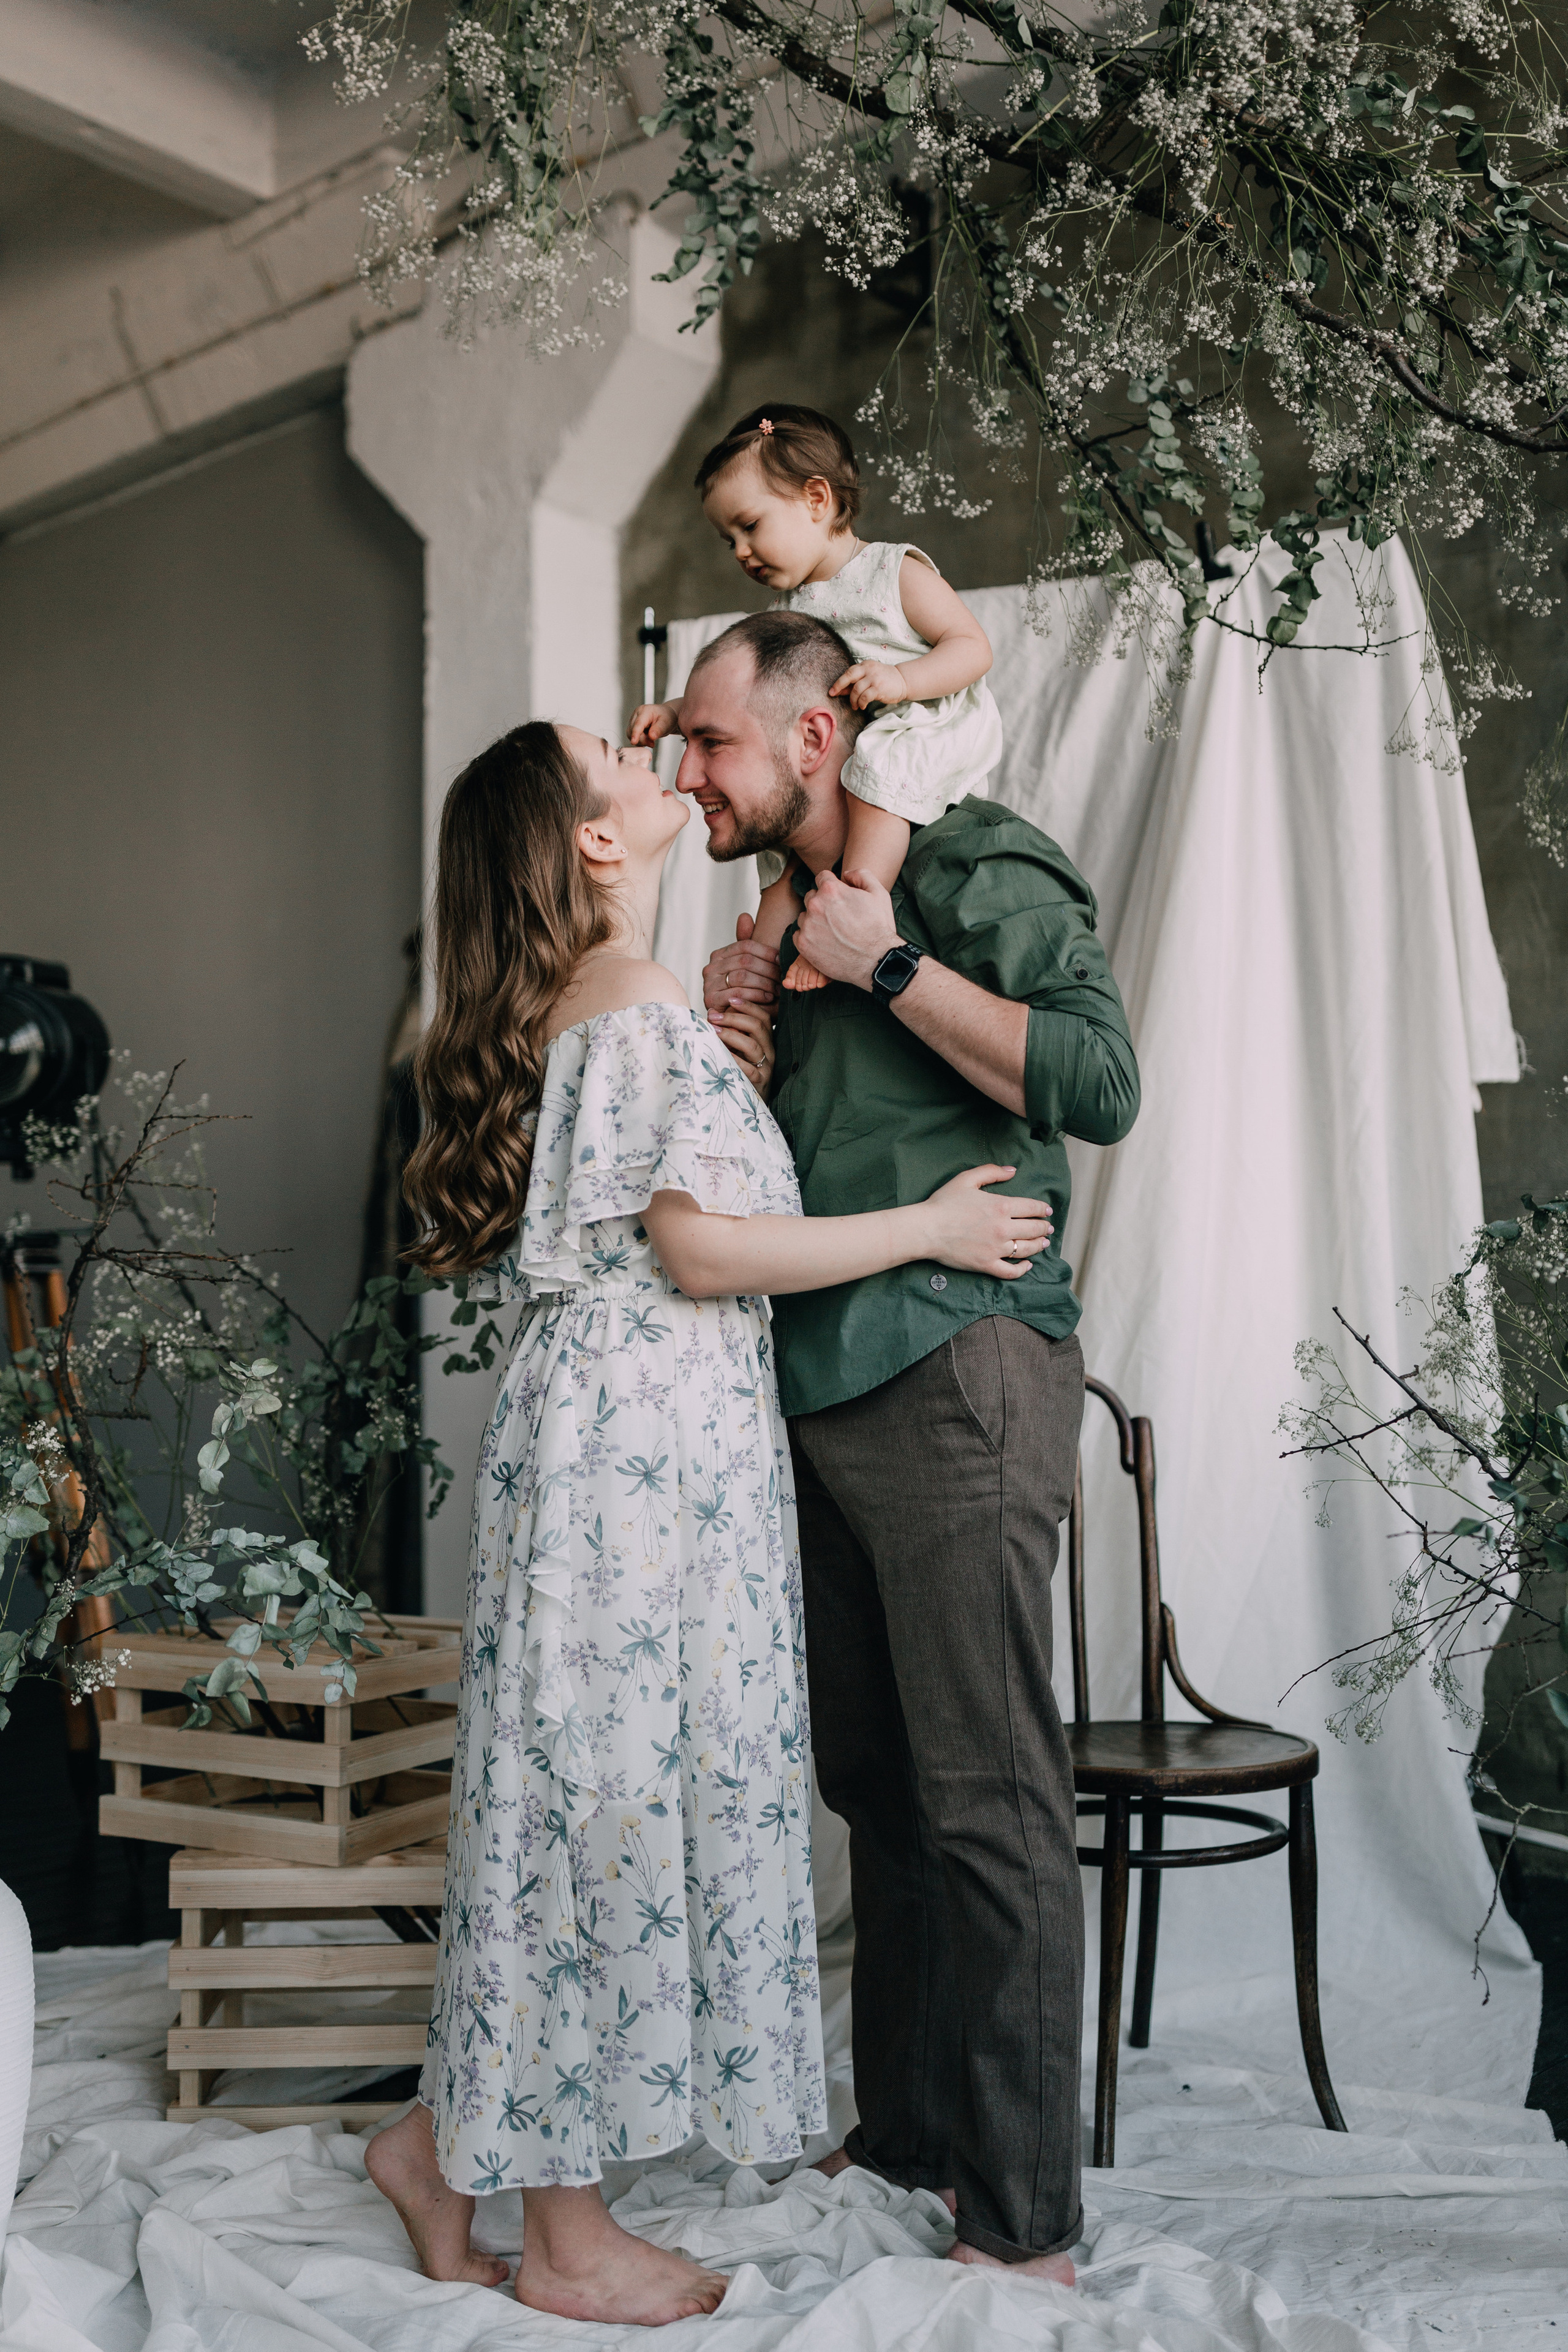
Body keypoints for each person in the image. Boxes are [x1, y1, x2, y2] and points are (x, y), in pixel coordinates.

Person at [364, 718, 1058, 2326]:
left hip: (629, 1440)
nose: (646, 741)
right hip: (639, 1456)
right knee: (598, 1811)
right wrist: (931, 1226)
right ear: (594, 843)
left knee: (574, 1799)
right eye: (614, 751)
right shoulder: (634, 1006)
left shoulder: (615, 999)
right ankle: (564, 2235)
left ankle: (437, 2148)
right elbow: (702, 1252)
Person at [679, 611, 1141, 2282]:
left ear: (816, 739)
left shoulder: (970, 861)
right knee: (876, 1787)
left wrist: (885, 958)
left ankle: (1026, 2231)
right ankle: (908, 2137)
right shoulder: (772, 919)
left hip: (960, 1373)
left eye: (713, 740)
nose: (689, 768)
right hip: (812, 1391)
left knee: (990, 1799)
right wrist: (739, 1045)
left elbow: (1097, 1078)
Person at [630, 403, 1000, 993]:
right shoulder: (787, 613)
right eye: (728, 540)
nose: (741, 552)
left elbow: (972, 647)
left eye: (749, 526)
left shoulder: (890, 571)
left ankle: (853, 922)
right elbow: (744, 692)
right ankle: (758, 976)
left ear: (817, 499)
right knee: (778, 852)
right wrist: (675, 714)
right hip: (840, 751)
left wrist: (902, 681)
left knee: (878, 768)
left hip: (913, 725)